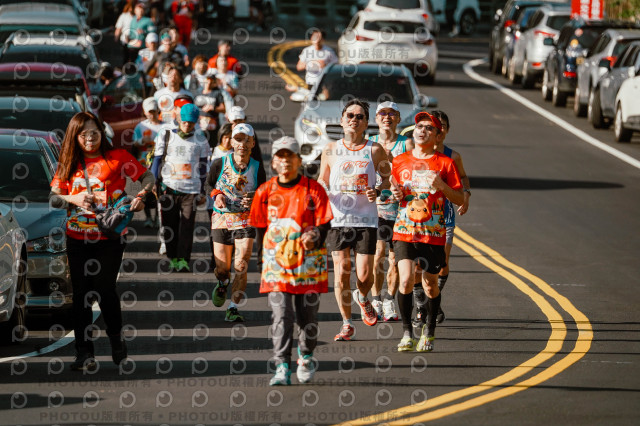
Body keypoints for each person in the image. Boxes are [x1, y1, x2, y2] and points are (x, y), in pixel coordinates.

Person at [49, 112, 154, 371]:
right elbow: (54, 197)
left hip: (109, 237)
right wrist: (73, 199)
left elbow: (148, 177)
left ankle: (116, 339)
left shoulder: (118, 157)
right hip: (77, 238)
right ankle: (83, 352)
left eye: (94, 132)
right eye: (83, 134)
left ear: (101, 133)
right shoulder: (68, 162)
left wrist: (141, 196)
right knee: (81, 294)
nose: (90, 138)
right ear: (75, 136)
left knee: (105, 290)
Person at [249, 136, 333, 386]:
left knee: (307, 317)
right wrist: (260, 262)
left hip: (309, 265)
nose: (285, 161)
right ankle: (282, 366)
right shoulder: (265, 192)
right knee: (282, 315)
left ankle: (305, 356)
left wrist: (315, 236)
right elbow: (260, 229)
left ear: (298, 161)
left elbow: (324, 223)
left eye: (290, 156)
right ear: (274, 162)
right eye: (280, 156)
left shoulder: (313, 190)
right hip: (276, 265)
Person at [389, 111, 463, 352]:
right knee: (406, 279)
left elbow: (459, 197)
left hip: (433, 233)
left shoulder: (445, 163)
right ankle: (406, 334)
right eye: (419, 126)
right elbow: (395, 192)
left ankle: (429, 331)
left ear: (438, 135)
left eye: (429, 128)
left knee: (430, 284)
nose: (422, 130)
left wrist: (441, 186)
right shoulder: (400, 161)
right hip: (404, 230)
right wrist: (396, 194)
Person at [317, 99, 390, 341]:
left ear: (366, 123)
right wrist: (322, 187)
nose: (354, 120)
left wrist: (377, 190)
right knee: (341, 272)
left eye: (360, 116)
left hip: (366, 219)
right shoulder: (330, 149)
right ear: (342, 120)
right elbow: (322, 179)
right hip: (338, 219)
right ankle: (347, 324)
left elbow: (387, 179)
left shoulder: (375, 149)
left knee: (365, 275)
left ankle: (362, 297)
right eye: (350, 115)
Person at [413, 110, 471, 325]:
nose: (437, 129)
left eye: (441, 126)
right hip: (418, 218)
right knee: (418, 265)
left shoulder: (452, 157)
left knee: (441, 264)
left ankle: (433, 298)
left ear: (444, 131)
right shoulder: (414, 154)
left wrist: (466, 196)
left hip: (443, 217)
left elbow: (463, 177)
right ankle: (422, 306)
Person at [208, 123, 266, 321]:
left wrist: (255, 198)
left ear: (253, 143)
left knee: (241, 265)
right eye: (238, 139)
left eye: (247, 140)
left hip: (245, 219)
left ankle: (233, 308)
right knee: (222, 269)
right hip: (222, 218)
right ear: (232, 142)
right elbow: (208, 184)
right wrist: (217, 195)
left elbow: (263, 192)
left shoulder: (257, 167)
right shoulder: (219, 163)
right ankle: (222, 282)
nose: (242, 144)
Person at [369, 101, 415, 322]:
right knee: (378, 254)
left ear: (398, 118)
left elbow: (414, 172)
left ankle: (389, 300)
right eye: (383, 113)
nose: (387, 117)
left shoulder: (406, 143)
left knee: (395, 258)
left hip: (401, 209)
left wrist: (403, 188)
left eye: (392, 114)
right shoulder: (370, 143)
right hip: (377, 208)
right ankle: (375, 299)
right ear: (376, 118)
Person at [151, 103, 209, 272]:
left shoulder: (201, 140)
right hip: (168, 188)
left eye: (191, 122)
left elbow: (203, 168)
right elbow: (157, 160)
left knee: (186, 226)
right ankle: (172, 257)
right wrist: (153, 182)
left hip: (191, 191)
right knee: (169, 226)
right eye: (184, 121)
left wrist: (203, 191)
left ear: (195, 122)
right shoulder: (166, 135)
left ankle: (183, 260)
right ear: (179, 119)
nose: (187, 125)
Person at [132, 97, 164, 228]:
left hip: (159, 161)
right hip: (144, 161)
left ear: (158, 111)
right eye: (149, 112)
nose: (152, 114)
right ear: (145, 112)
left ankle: (157, 217)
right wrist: (141, 141)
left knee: (158, 188)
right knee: (145, 189)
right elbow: (134, 143)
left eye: (154, 111)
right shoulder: (141, 126)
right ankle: (148, 218)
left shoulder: (164, 126)